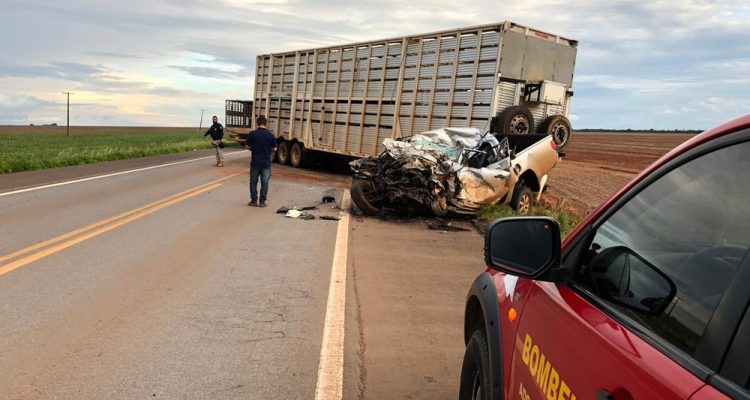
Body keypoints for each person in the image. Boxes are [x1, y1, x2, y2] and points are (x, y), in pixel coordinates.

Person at [245, 115, 277, 207]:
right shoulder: (270, 135)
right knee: (265, 182)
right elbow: (274, 148)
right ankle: (262, 201)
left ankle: (254, 201)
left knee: (253, 182)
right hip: (265, 163)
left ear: (257, 123)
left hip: (255, 162)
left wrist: (253, 149)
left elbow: (247, 146)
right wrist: (268, 150)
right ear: (266, 123)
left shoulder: (252, 134)